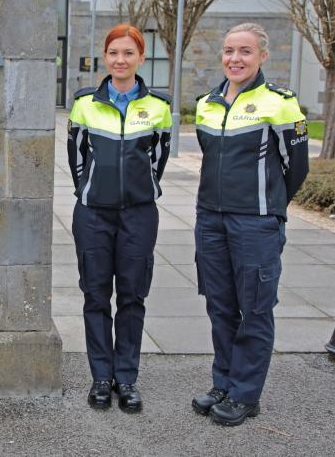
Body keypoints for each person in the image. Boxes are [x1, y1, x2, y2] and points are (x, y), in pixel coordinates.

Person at [191, 23, 309, 426]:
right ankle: (223, 383)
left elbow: (297, 168)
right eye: (228, 51)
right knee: (220, 307)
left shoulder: (280, 103)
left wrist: (270, 208)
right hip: (210, 221)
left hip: (255, 225)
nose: (235, 59)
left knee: (255, 310)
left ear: (262, 56)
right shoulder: (207, 103)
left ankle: (245, 395)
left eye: (244, 51)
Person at [67, 24, 172, 412]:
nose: (120, 60)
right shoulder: (84, 105)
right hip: (93, 215)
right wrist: (90, 192)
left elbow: (157, 162)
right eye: (114, 53)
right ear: (105, 58)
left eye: (129, 53)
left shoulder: (158, 108)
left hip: (139, 217)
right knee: (96, 296)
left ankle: (126, 378)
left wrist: (140, 192)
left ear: (141, 58)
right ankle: (101, 377)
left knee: (131, 296)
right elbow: (77, 158)